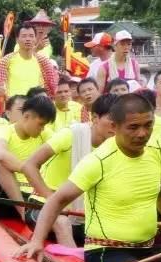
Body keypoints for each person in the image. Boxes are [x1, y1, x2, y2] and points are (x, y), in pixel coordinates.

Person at [18, 93, 161, 262]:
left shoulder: (157, 150)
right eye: (133, 127)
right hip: (105, 254)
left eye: (148, 125)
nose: (142, 133)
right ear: (115, 126)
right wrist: (37, 241)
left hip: (146, 249)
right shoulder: (97, 161)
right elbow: (57, 200)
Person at [23, 93, 120, 249]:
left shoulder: (116, 146)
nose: (116, 124)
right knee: (62, 222)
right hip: (42, 209)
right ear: (95, 118)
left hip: (81, 215)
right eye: (111, 118)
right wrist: (51, 199)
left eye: (120, 119)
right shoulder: (72, 134)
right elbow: (29, 165)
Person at [0, 93, 57, 216]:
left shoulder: (45, 133)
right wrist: (28, 170)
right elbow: (0, 154)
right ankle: (23, 214)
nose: (42, 128)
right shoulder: (3, 131)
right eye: (41, 124)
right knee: (2, 164)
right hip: (4, 198)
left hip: (32, 195)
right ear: (26, 116)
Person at [0, 26, 59, 100]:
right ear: (17, 40)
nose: (28, 39)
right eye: (24, 36)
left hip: (36, 106)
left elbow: (53, 85)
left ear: (35, 39)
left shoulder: (43, 61)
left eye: (31, 36)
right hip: (14, 105)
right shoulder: (7, 60)